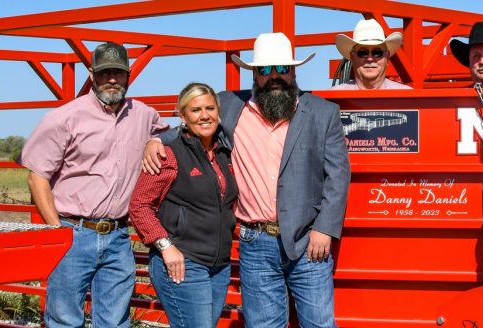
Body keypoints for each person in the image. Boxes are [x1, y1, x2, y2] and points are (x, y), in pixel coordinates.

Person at [143, 32, 350, 328]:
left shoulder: (322, 112)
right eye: (265, 70)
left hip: (309, 241)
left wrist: (325, 229)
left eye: (282, 68)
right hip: (255, 241)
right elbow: (193, 122)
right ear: (254, 73)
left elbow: (338, 176)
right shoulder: (229, 105)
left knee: (319, 323)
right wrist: (157, 140)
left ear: (294, 71)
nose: (275, 76)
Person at [22, 41, 169, 327]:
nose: (111, 79)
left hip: (117, 235)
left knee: (115, 320)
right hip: (73, 232)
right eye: (104, 73)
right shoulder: (63, 119)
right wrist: (57, 231)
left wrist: (155, 139)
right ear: (92, 74)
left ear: (128, 75)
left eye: (118, 72)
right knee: (64, 319)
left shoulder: (143, 115)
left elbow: (170, 134)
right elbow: (37, 175)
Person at [128, 83, 236, 328]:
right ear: (183, 115)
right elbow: (139, 205)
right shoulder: (168, 154)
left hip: (218, 266)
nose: (204, 115)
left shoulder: (224, 153)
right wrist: (166, 247)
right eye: (195, 110)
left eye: (210, 108)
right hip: (182, 261)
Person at [330, 19, 411, 90]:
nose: (370, 58)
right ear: (352, 57)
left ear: (387, 56)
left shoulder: (408, 99)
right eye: (363, 53)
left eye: (377, 53)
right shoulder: (334, 100)